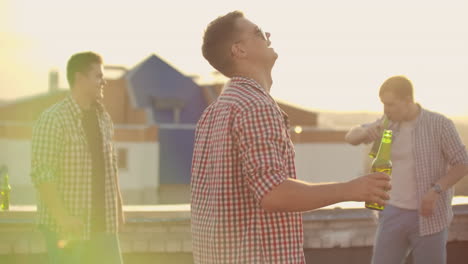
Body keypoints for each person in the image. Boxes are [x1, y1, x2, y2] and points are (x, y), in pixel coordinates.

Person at [191, 11, 391, 264]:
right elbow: (274, 193)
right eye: (258, 33)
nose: (268, 35)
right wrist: (352, 189)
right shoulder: (256, 106)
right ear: (239, 50)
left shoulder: (213, 112)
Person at [345, 75, 468, 264]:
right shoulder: (386, 123)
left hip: (430, 215)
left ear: (408, 100)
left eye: (391, 104)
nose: (386, 110)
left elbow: (462, 163)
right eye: (383, 104)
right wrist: (369, 130)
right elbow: (351, 138)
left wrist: (436, 190)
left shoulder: (440, 124)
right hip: (392, 213)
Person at [31, 51, 124, 264]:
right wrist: (63, 218)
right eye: (98, 76)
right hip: (69, 229)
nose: (104, 82)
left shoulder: (104, 118)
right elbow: (43, 175)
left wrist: (118, 207)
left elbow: (112, 165)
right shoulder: (53, 119)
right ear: (80, 79)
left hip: (104, 227)